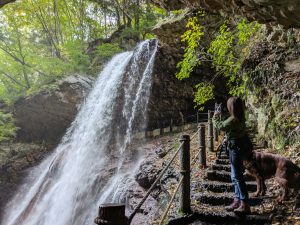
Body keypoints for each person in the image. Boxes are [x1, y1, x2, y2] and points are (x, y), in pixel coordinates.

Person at [212, 97, 253, 214]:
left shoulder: (233, 120)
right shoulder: (240, 117)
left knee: (237, 176)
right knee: (235, 175)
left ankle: (244, 203)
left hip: (236, 149)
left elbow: (220, 126)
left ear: (232, 108)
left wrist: (215, 116)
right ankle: (237, 200)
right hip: (240, 147)